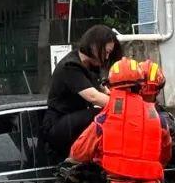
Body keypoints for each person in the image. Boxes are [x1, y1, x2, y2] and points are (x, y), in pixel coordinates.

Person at [69, 58, 172, 183]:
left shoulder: (104, 119)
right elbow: (164, 156)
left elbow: (78, 152)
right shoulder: (158, 119)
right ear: (141, 86)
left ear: (112, 86)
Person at [42, 25, 121, 160]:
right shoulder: (71, 66)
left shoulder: (90, 66)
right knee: (102, 115)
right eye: (106, 52)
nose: (107, 57)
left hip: (71, 122)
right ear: (95, 46)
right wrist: (125, 107)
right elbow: (93, 97)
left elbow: (105, 92)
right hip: (57, 125)